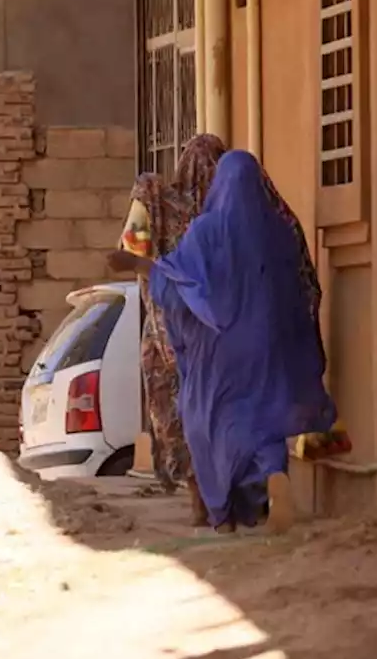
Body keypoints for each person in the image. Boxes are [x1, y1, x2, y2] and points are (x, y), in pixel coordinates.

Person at [110, 151, 337, 535]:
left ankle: (220, 511)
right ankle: (273, 475)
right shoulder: (279, 233)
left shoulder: (206, 231)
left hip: (217, 350)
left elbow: (181, 284)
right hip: (267, 346)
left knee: (210, 422)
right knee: (263, 422)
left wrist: (137, 265)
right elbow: (301, 289)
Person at [118, 134, 227, 526]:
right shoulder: (224, 215)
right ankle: (212, 496)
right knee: (205, 413)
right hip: (211, 335)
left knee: (176, 412)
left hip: (166, 331)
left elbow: (132, 250)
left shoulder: (160, 202)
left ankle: (199, 492)